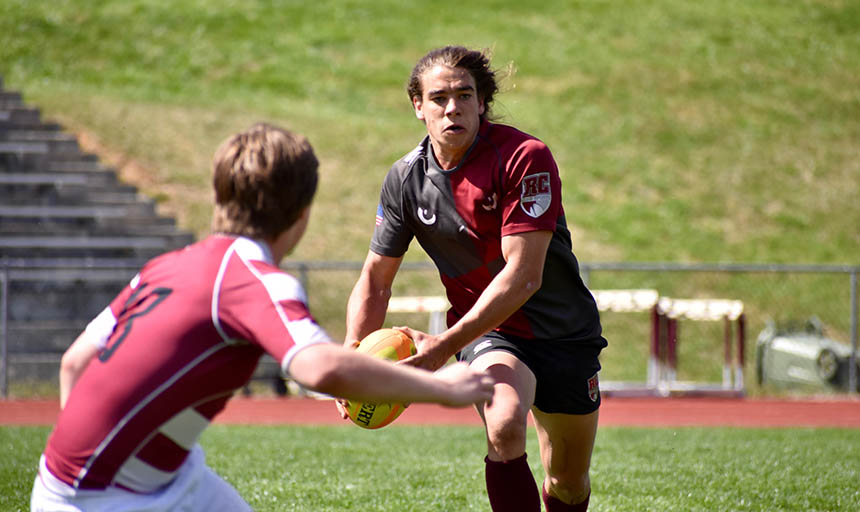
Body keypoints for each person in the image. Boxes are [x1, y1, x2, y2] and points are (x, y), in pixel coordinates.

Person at [30, 122, 496, 512]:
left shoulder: (167, 265)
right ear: (301, 214)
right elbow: (323, 368)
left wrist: (80, 464)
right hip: (109, 499)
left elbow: (74, 362)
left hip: (87, 480)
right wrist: (441, 386)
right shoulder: (253, 279)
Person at [342, 46, 607, 512]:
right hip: (492, 333)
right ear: (417, 106)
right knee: (503, 425)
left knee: (568, 482)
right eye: (439, 97)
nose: (452, 108)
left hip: (564, 333)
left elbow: (523, 277)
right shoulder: (405, 179)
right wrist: (350, 363)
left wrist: (442, 348)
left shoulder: (525, 157)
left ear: (482, 102)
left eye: (464, 95)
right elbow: (375, 279)